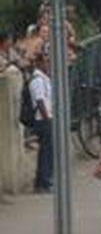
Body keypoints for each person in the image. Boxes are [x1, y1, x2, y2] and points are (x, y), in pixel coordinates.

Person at [28, 52, 53, 191]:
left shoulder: (45, 78)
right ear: (39, 63)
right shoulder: (37, 80)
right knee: (45, 152)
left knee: (47, 151)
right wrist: (47, 118)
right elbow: (40, 100)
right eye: (45, 62)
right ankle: (43, 181)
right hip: (43, 120)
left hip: (47, 118)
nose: (48, 65)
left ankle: (42, 181)